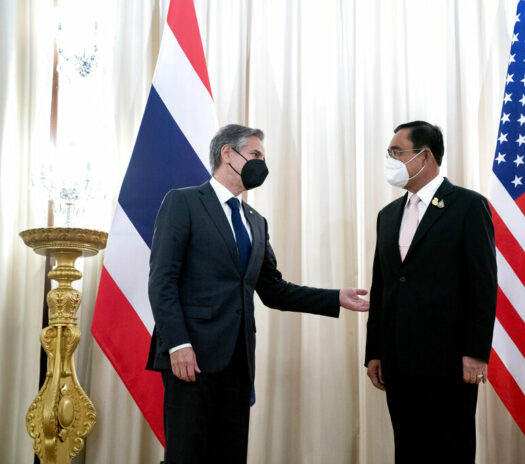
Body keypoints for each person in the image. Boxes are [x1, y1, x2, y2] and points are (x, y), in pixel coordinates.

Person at [146, 124, 369, 463]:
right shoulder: (184, 202)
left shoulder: (256, 221)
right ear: (227, 153)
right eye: (255, 155)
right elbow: (162, 281)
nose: (261, 164)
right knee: (187, 455)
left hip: (238, 362)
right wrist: (178, 344)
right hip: (191, 357)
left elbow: (274, 290)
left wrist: (335, 296)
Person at [364, 121, 497, 463]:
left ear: (424, 156)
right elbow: (383, 287)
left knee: (450, 448)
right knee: (408, 449)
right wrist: (375, 351)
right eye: (389, 153)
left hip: (450, 360)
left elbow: (482, 284)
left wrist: (476, 352)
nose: (390, 159)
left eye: (397, 152)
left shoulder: (468, 206)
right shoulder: (388, 215)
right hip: (398, 360)